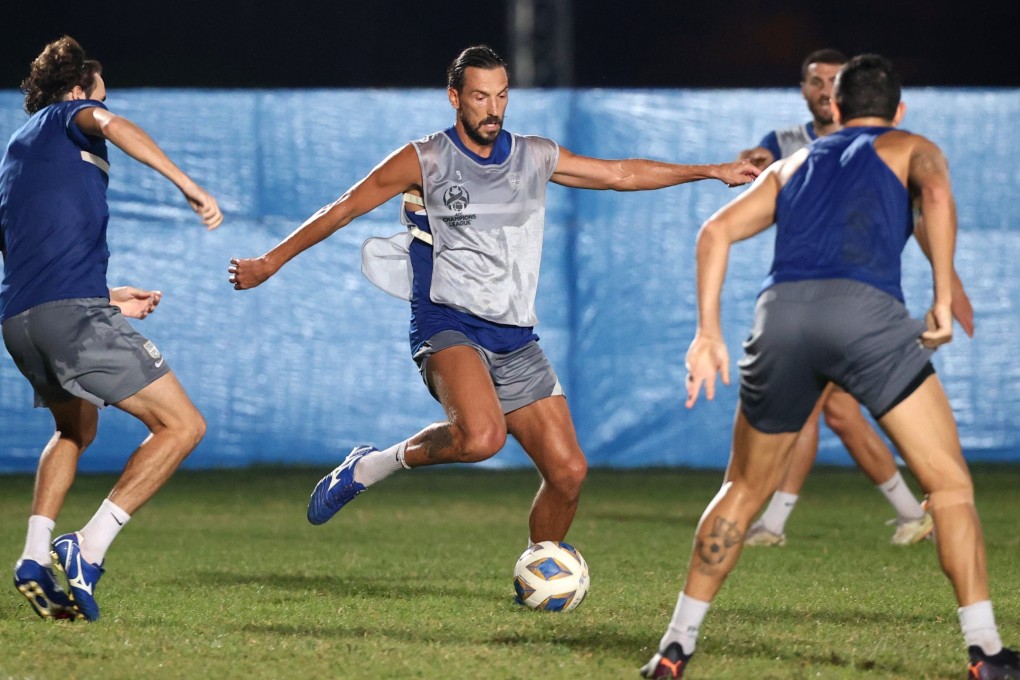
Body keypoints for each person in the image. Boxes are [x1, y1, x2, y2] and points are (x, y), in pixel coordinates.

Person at [228, 45, 758, 550]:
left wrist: (710, 171)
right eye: (481, 96)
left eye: (502, 95)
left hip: (514, 333)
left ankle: (540, 567)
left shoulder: (534, 155)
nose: (493, 108)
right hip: (447, 321)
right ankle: (372, 466)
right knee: (482, 439)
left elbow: (621, 173)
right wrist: (269, 261)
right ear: (455, 97)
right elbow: (344, 207)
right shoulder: (425, 158)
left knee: (569, 472)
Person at [641, 55, 1018, 679]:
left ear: (835, 110)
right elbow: (939, 194)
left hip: (779, 317)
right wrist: (945, 301)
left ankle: (674, 647)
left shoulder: (792, 164)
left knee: (740, 489)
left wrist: (708, 332)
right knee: (949, 486)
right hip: (865, 316)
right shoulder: (911, 144)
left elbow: (713, 232)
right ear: (898, 110)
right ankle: (986, 652)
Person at [2, 36, 223, 622]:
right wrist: (188, 185)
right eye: (100, 96)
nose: (104, 109)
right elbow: (112, 123)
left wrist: (107, 297)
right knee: (182, 425)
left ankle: (31, 555)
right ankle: (87, 546)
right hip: (69, 318)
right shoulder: (70, 115)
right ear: (77, 91)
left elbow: (32, 255)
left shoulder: (17, 150)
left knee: (75, 430)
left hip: (23, 321)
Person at [739, 49, 975, 547]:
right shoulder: (785, 145)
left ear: (843, 95)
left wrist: (947, 283)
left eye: (832, 80)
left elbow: (924, 210)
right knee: (841, 415)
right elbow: (752, 186)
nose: (824, 89)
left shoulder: (887, 145)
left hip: (858, 304)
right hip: (813, 296)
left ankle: (773, 523)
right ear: (804, 90)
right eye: (815, 80)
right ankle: (915, 513)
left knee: (817, 410)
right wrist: (753, 168)